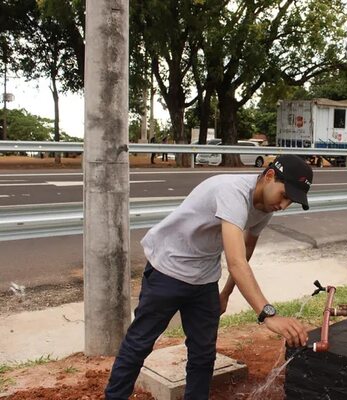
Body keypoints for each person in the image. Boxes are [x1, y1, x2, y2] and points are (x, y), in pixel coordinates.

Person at [104, 155, 313, 400]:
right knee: (139, 344)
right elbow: (235, 262)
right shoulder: (232, 192)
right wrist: (268, 314)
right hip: (168, 269)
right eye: (285, 195)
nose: (284, 205)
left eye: (292, 201)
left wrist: (225, 294)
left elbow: (244, 253)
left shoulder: (266, 207)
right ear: (269, 176)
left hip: (204, 278)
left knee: (203, 354)